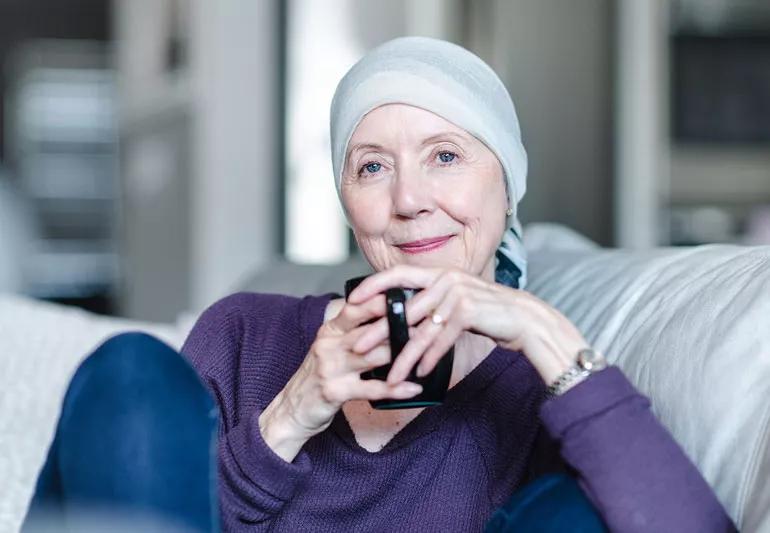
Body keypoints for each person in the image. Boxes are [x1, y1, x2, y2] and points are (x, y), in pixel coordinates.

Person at [25, 37, 734, 533]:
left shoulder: (530, 396)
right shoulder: (247, 334)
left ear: (509, 187)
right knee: (130, 370)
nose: (409, 199)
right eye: (371, 167)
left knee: (575, 508)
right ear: (346, 201)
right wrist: (294, 410)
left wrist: (545, 334)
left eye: (446, 155)